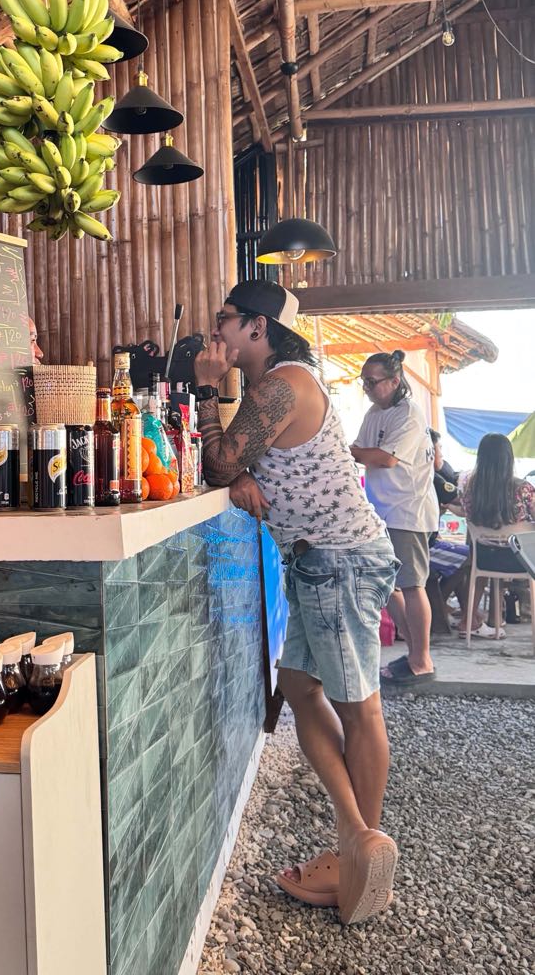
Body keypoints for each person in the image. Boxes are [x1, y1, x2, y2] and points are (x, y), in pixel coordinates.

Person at [194, 280, 399, 926]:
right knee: (299, 687)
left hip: (339, 561)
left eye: (225, 321)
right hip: (321, 561)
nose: (217, 332)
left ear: (257, 327)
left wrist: (205, 389)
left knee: (359, 707)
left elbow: (220, 463)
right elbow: (239, 464)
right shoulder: (277, 386)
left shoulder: (282, 384)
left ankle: (359, 850)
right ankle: (356, 841)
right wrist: (244, 470)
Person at [350, 351, 439, 687]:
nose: (368, 389)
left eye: (372, 382)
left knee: (412, 586)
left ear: (394, 381)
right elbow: (361, 449)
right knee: (389, 586)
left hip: (408, 510)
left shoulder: (410, 415)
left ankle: (422, 659)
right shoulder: (375, 412)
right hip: (382, 510)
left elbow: (384, 458)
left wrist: (349, 452)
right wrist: (354, 452)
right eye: (364, 383)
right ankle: (414, 650)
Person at [450, 432, 535, 637]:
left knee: (482, 558)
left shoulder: (470, 488)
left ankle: (469, 621)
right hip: (521, 562)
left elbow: (467, 515)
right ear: (509, 458)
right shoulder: (523, 488)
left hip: (485, 560)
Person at [430, 428, 460, 509]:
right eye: (439, 448)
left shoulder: (442, 465)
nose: (441, 454)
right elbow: (459, 499)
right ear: (430, 451)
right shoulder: (432, 477)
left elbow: (454, 477)